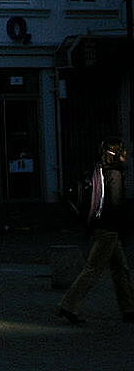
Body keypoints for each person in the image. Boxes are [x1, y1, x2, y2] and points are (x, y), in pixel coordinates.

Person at [58, 138, 134, 324]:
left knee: (121, 269)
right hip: (109, 229)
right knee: (93, 269)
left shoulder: (100, 169)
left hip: (102, 227)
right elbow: (115, 204)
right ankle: (68, 305)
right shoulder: (114, 173)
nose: (126, 154)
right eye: (123, 151)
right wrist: (123, 225)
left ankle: (129, 309)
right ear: (116, 153)